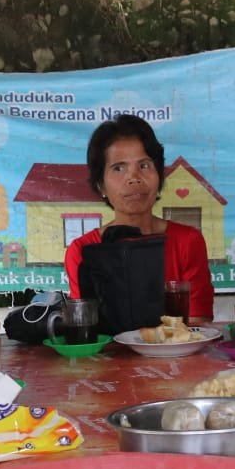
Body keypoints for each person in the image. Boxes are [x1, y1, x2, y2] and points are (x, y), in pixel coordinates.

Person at [62, 113, 215, 321]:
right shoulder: (83, 251)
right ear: (100, 185)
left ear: (159, 176)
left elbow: (198, 324)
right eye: (119, 168)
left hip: (176, 354)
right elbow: (86, 330)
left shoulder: (187, 242)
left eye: (144, 165)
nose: (134, 178)